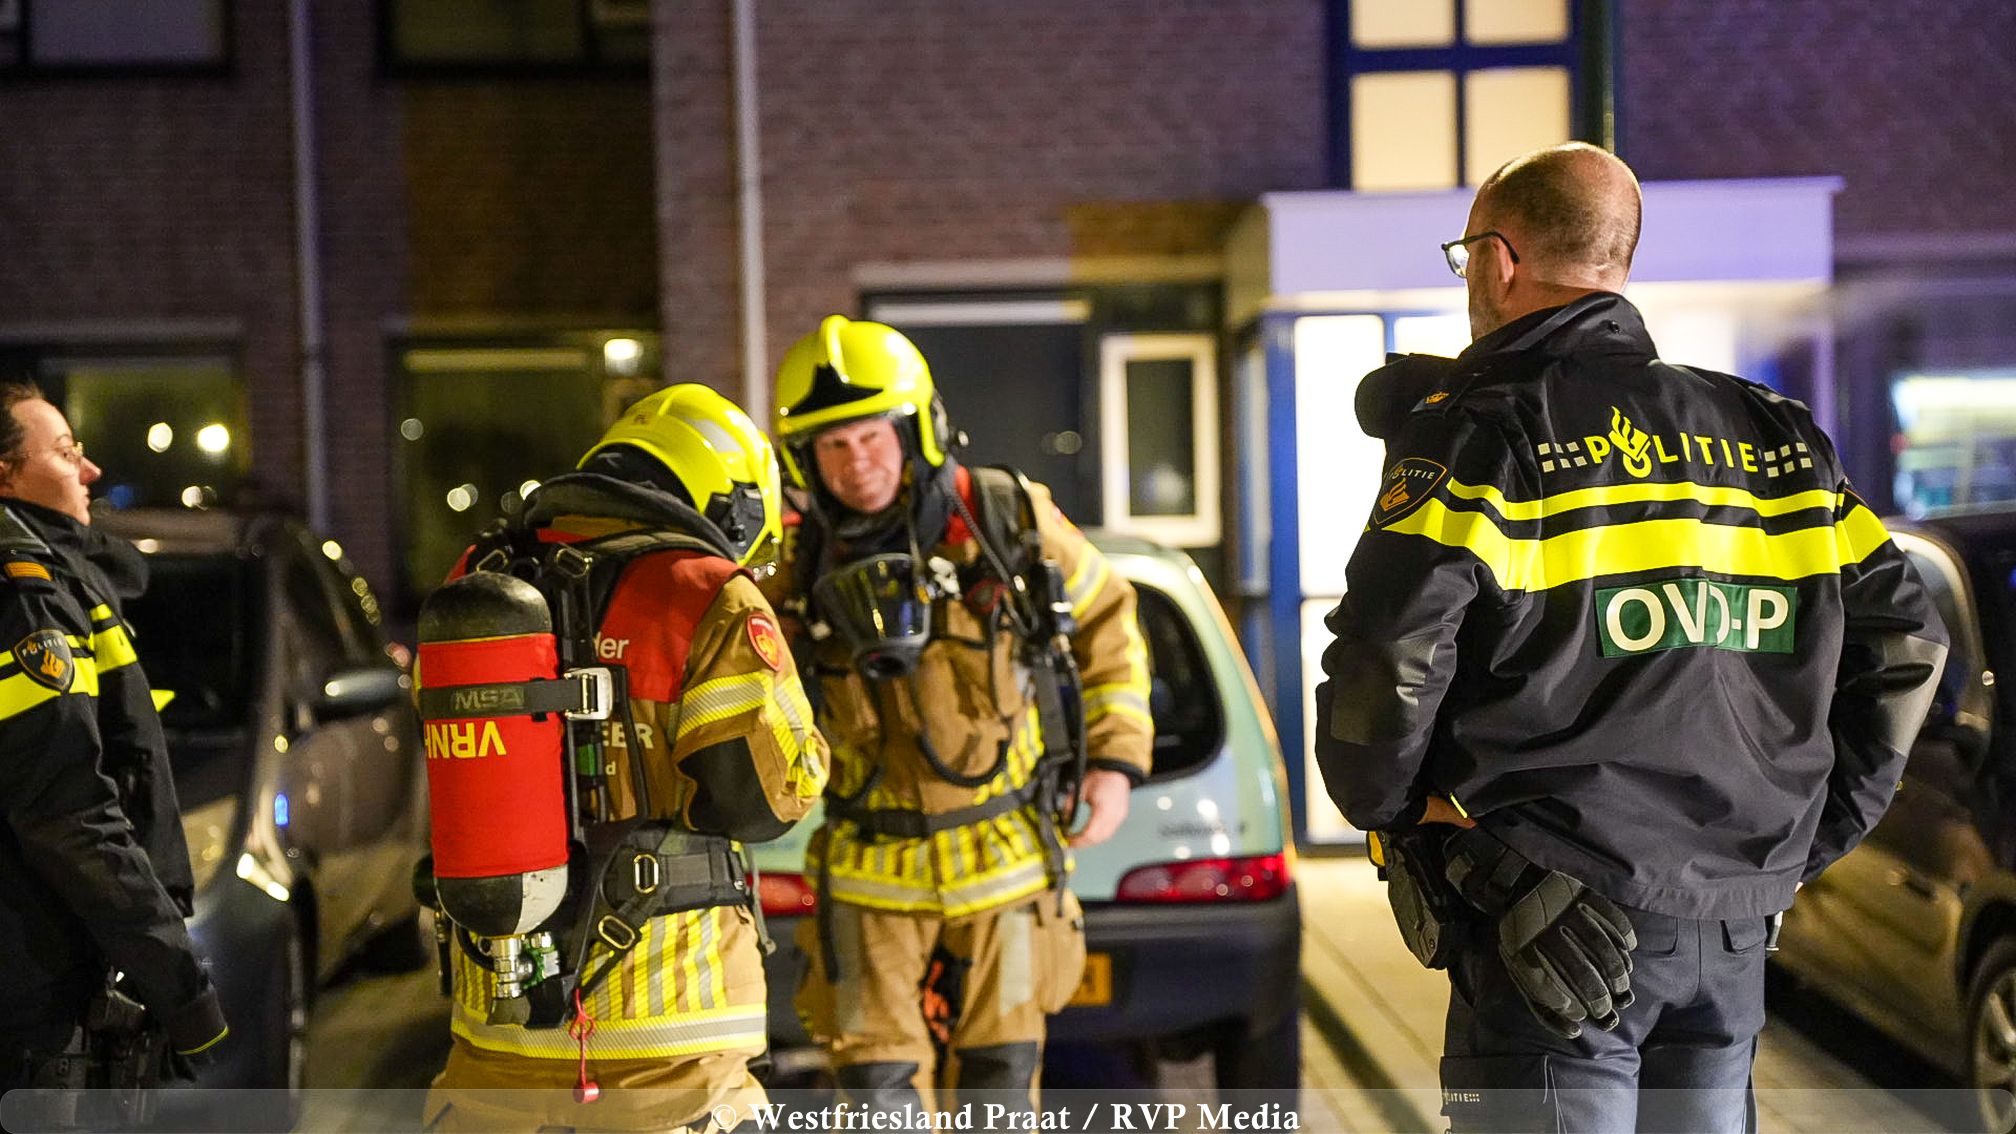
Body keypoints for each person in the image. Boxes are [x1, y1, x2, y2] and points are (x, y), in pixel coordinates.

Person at [1313, 143, 1949, 1133]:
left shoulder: (1483, 434)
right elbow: (1911, 642)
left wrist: (1398, 812)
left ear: (1499, 257)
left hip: (1543, 919)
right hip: (1730, 932)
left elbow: (1386, 663)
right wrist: (1796, 847)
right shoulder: (1777, 438)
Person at [422, 384, 830, 1133]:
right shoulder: (705, 592)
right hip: (668, 1046)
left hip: (494, 1038)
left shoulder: (478, 582)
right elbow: (764, 798)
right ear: (734, 506)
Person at [769, 316, 1152, 1110]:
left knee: (1001, 1089)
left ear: (918, 429)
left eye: (870, 436)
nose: (855, 463)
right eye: (831, 447)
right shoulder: (794, 561)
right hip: (868, 872)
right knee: (876, 1098)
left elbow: (1110, 627)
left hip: (1003, 867)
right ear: (803, 458)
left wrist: (1113, 767)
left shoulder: (1006, 519)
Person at [0, 382, 229, 1099]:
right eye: (67, 453)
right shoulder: (26, 594)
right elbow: (66, 812)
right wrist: (179, 985)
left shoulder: (62, 576)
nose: (90, 471)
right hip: (31, 996)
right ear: (4, 474)